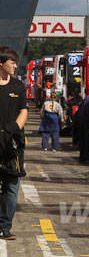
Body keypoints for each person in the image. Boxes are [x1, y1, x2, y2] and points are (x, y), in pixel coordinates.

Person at [0, 46, 28, 240]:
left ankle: (4, 227)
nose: (15, 66)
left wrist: (12, 131)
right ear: (1, 63)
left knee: (12, 186)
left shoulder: (18, 86)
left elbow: (24, 111)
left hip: (12, 144)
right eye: (12, 62)